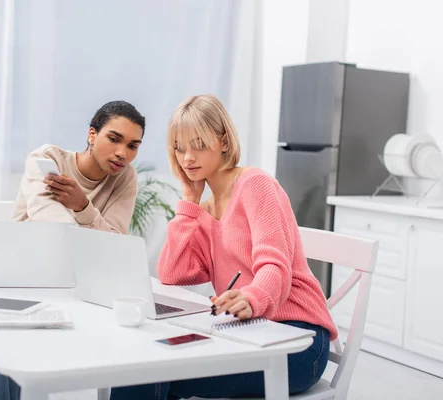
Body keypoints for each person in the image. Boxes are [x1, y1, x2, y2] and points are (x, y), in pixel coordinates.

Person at [110, 94, 337, 400]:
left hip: (298, 342)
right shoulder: (204, 209)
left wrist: (252, 296)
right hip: (248, 331)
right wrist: (189, 202)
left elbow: (275, 267)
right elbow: (171, 273)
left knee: (148, 373)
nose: (187, 158)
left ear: (225, 143)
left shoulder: (255, 185)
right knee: (142, 363)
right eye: (179, 148)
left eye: (198, 145)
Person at [0, 100, 146, 400]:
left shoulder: (125, 179)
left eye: (133, 146)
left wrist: (81, 205)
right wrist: (92, 229)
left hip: (75, 282)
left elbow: (117, 244)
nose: (123, 153)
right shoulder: (47, 158)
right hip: (16, 270)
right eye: (114, 139)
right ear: (92, 135)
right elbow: (51, 223)